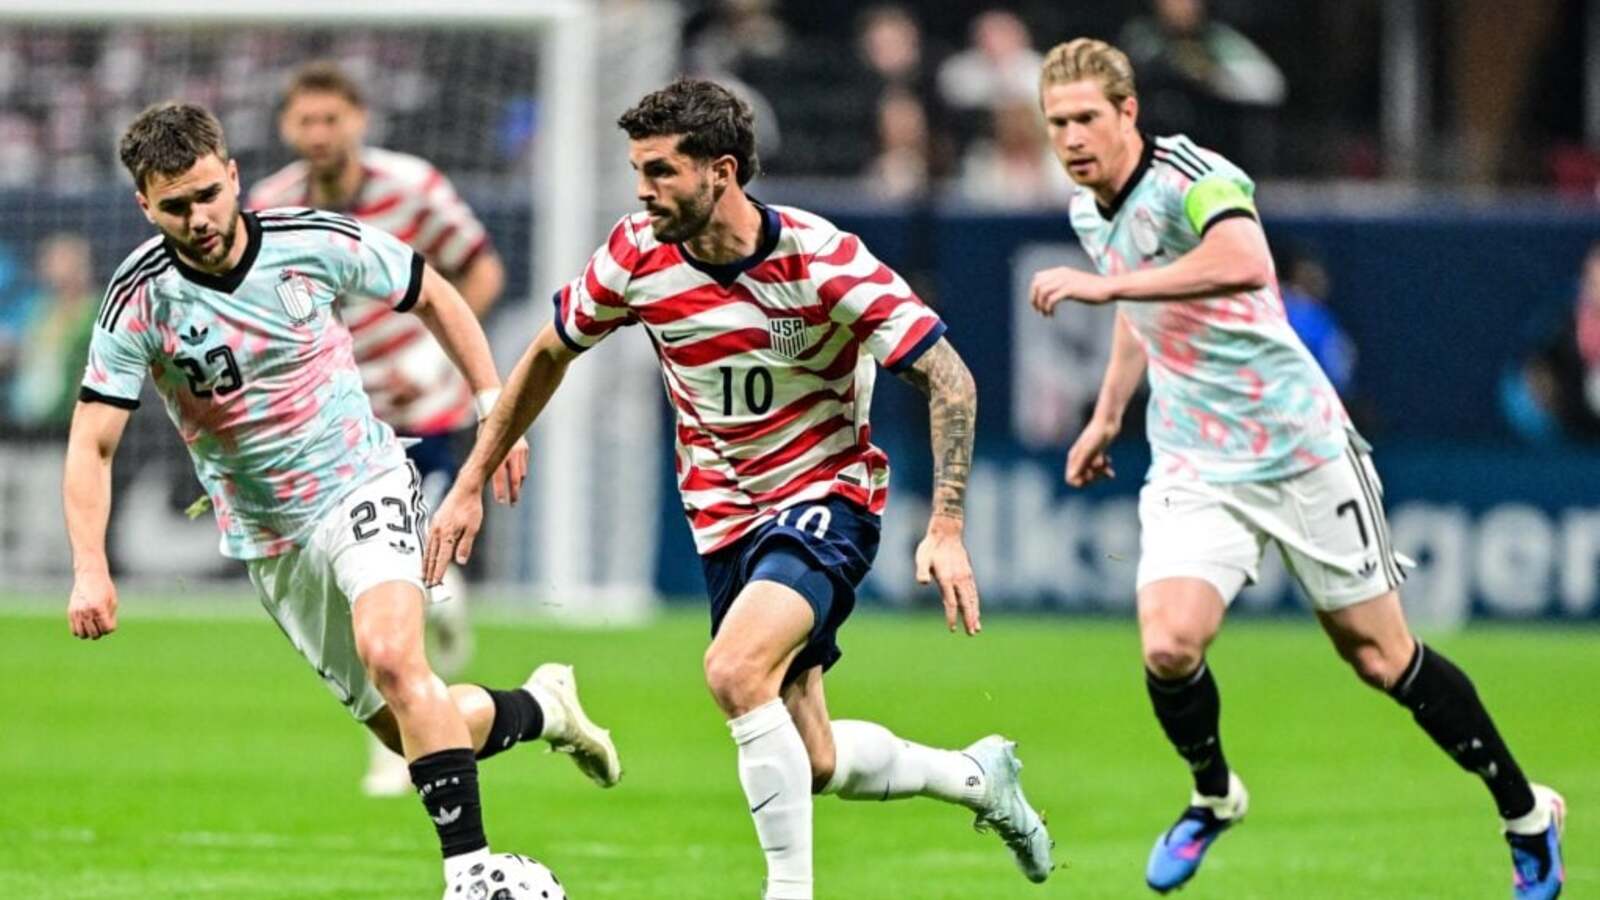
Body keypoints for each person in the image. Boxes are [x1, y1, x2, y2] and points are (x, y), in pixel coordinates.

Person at [425, 78, 1054, 899]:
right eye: (638, 170)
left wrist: (945, 525)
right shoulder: (635, 256)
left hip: (827, 497)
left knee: (733, 669)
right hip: (723, 518)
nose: (643, 190)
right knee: (812, 759)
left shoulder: (822, 260)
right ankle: (976, 777)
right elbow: (550, 351)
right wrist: (472, 477)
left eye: (661, 171)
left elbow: (949, 376)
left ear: (721, 172)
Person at [1028, 39, 1564, 899]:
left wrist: (1107, 291)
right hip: (1195, 457)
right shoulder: (1091, 211)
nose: (1071, 137)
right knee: (1169, 644)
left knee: (1382, 659)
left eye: (1087, 117)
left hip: (1296, 446)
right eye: (1057, 123)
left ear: (1128, 112)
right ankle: (1214, 796)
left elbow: (1246, 263)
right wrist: (1107, 412)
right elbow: (1140, 300)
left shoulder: (1195, 176)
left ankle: (1527, 814)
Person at [64, 102, 621, 895]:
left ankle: (472, 874)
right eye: (175, 206)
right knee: (408, 730)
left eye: (208, 194)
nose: (198, 218)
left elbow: (434, 293)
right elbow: (93, 441)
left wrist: (491, 400)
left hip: (362, 480)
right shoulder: (139, 300)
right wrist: (90, 567)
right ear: (144, 207)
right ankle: (542, 708)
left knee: (393, 656)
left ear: (233, 177)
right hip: (270, 535)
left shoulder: (313, 241)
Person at [247, 61, 507, 795]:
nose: (319, 133)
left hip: (422, 409)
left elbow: (482, 270)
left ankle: (400, 739)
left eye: (332, 119)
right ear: (286, 127)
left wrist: (432, 355)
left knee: (406, 572)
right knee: (375, 583)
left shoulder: (414, 187)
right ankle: (402, 726)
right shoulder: (269, 206)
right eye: (306, 120)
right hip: (332, 424)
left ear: (359, 120)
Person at [7, 233, 99, 429]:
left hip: (71, 420)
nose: (50, 266)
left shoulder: (99, 310)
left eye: (61, 259)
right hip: (23, 417)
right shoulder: (38, 308)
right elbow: (21, 353)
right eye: (48, 259)